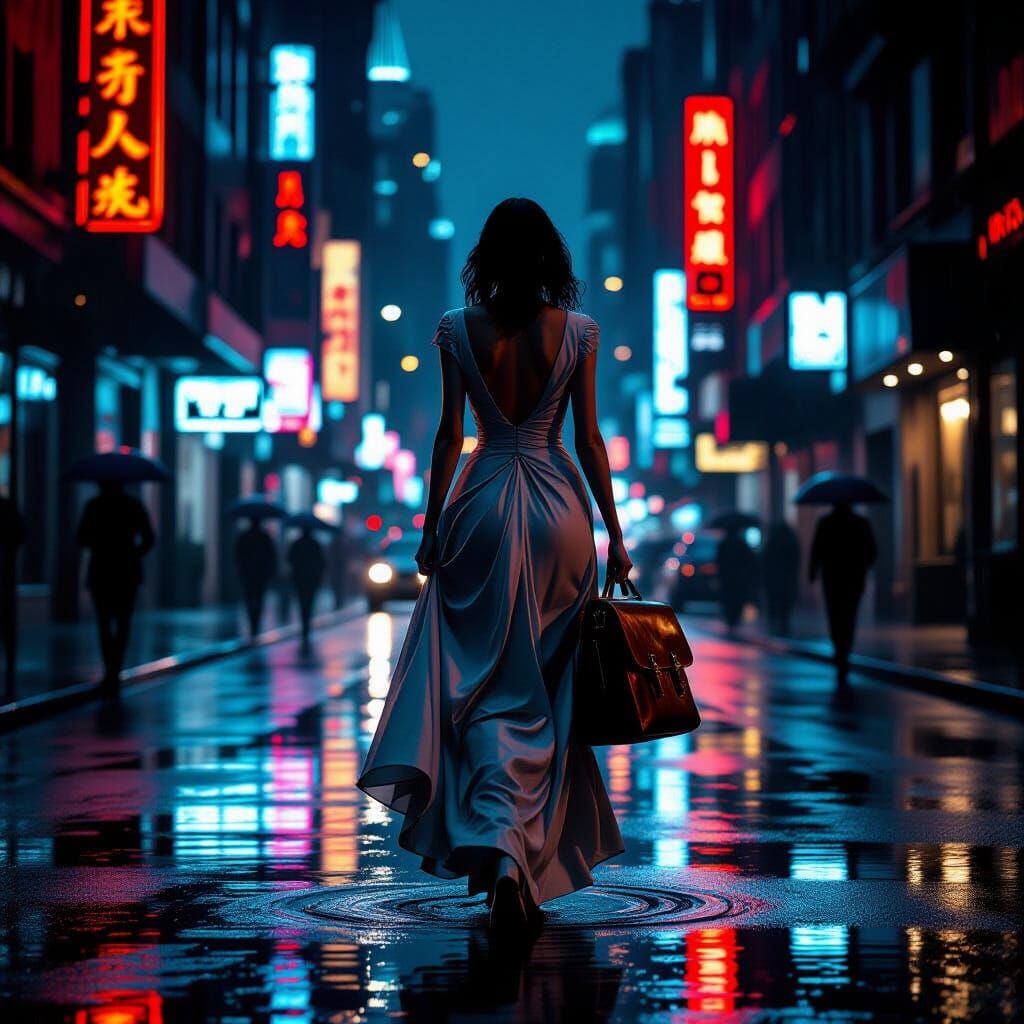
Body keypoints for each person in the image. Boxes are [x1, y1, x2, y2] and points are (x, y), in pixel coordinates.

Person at [358, 198, 631, 937]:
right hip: (558, 511)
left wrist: (429, 525)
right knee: (545, 696)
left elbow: (450, 438)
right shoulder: (578, 332)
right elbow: (593, 440)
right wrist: (614, 532)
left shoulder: (455, 330)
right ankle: (524, 860)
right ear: (551, 259)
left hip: (479, 507)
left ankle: (502, 854)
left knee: (478, 692)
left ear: (487, 257)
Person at [76, 481, 155, 691]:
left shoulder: (94, 506)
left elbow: (81, 538)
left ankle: (110, 668)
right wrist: (133, 554)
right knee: (122, 622)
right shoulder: (133, 505)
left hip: (101, 570)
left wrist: (99, 542)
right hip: (126, 572)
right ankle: (115, 669)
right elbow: (149, 538)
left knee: (104, 622)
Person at [809, 502, 877, 682]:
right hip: (854, 577)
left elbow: (817, 550)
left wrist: (813, 572)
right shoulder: (860, 523)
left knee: (835, 614)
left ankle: (840, 649)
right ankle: (844, 649)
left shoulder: (826, 522)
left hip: (833, 577)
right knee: (849, 614)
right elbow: (871, 550)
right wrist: (862, 566)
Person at [235, 518, 277, 638]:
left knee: (250, 598)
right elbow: (271, 556)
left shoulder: (244, 536)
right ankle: (255, 624)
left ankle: (253, 623)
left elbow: (238, 555)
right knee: (258, 598)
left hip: (249, 574)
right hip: (260, 574)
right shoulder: (264, 537)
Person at [0, 495, 25, 695]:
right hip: (5, 574)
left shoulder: (7, 506)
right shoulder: (7, 506)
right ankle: (9, 661)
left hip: (5, 574)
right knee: (8, 620)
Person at [288, 526, 326, 650]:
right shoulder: (315, 544)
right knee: (308, 602)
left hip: (300, 578)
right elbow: (321, 562)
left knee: (302, 602)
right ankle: (306, 627)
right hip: (310, 579)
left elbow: (290, 559)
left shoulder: (297, 543)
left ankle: (305, 626)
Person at [762, 521, 800, 634]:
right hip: (786, 579)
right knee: (785, 602)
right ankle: (783, 623)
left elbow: (765, 560)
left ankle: (775, 623)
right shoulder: (791, 541)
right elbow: (795, 559)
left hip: (775, 579)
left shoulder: (772, 542)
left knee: (775, 601)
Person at [716, 527, 757, 632]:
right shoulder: (741, 544)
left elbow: (718, 561)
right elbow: (749, 560)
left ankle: (731, 620)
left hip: (728, 578)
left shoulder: (724, 544)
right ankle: (734, 619)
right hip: (738, 578)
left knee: (729, 598)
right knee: (736, 598)